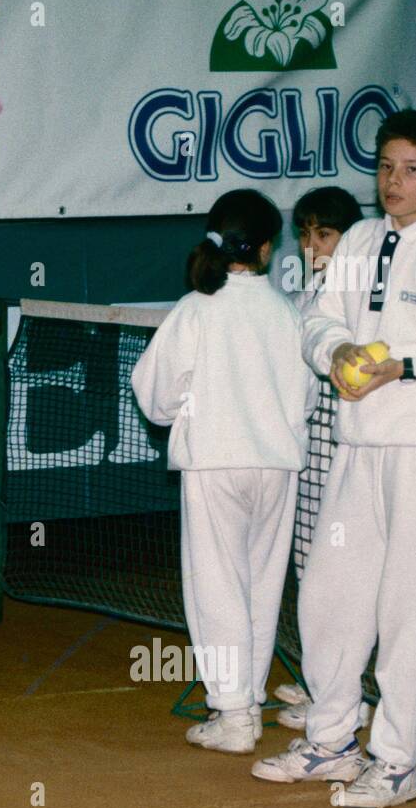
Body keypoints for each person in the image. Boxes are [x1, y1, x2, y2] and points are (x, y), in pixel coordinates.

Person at [251, 110, 416, 808]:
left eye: (413, 170)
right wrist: (336, 349)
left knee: (408, 608)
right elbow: (317, 318)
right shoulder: (362, 240)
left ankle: (397, 762)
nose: (394, 181)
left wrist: (404, 365)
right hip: (356, 447)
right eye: (386, 167)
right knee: (329, 595)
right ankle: (332, 740)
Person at [131, 190, 319, 754]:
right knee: (261, 586)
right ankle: (246, 705)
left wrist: (190, 410)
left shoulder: (195, 309)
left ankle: (234, 715)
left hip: (215, 463)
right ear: (266, 248)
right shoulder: (289, 313)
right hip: (277, 468)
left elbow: (155, 397)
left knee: (218, 586)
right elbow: (308, 399)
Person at [273, 185, 371, 731]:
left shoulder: (360, 296)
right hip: (308, 451)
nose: (313, 245)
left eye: (325, 234)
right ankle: (324, 682)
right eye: (305, 234)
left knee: (341, 575)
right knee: (309, 566)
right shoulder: (309, 293)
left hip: (346, 450)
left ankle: (346, 698)